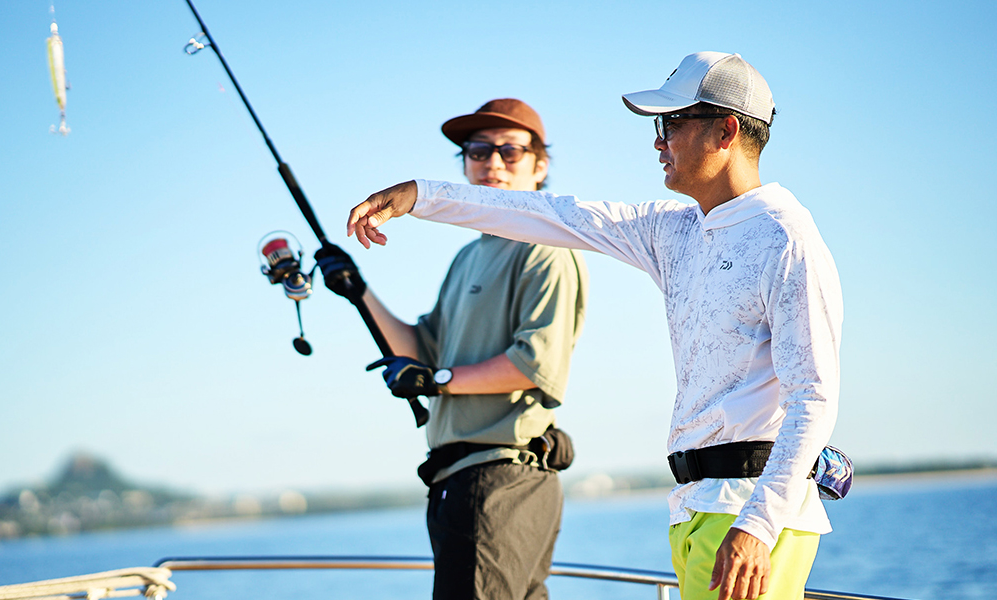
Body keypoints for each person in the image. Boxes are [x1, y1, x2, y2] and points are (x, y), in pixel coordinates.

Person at [346, 52, 843, 600]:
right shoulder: (673, 231)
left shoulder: (785, 238)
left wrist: (758, 525)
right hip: (695, 507)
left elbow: (813, 397)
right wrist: (423, 195)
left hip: (749, 514)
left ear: (725, 130)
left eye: (671, 123)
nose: (659, 141)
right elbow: (554, 215)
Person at [336, 99, 589, 600]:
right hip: (459, 481)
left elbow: (535, 364)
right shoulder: (468, 257)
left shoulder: (547, 247)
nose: (492, 162)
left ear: (539, 167)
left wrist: (438, 382)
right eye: (478, 150)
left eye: (510, 152)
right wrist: (355, 288)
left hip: (500, 480)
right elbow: (421, 350)